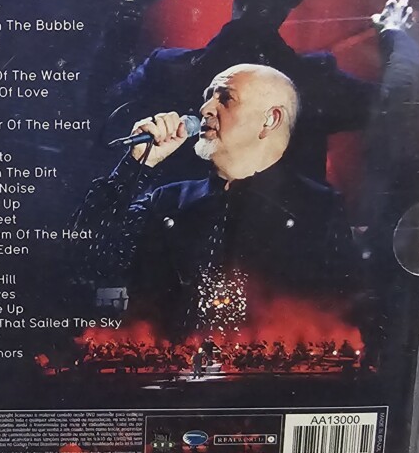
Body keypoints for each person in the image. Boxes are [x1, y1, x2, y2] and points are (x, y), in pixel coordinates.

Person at [88, 0, 419, 184]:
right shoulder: (315, 81)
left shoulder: (169, 70)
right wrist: (395, 35)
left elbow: (100, 103)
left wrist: (131, 8)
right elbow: (397, 102)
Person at [76, 63, 363, 338]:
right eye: (207, 97)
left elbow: (341, 312)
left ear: (270, 119)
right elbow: (86, 258)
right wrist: (137, 164)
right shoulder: (168, 202)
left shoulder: (317, 209)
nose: (205, 109)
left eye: (225, 98)